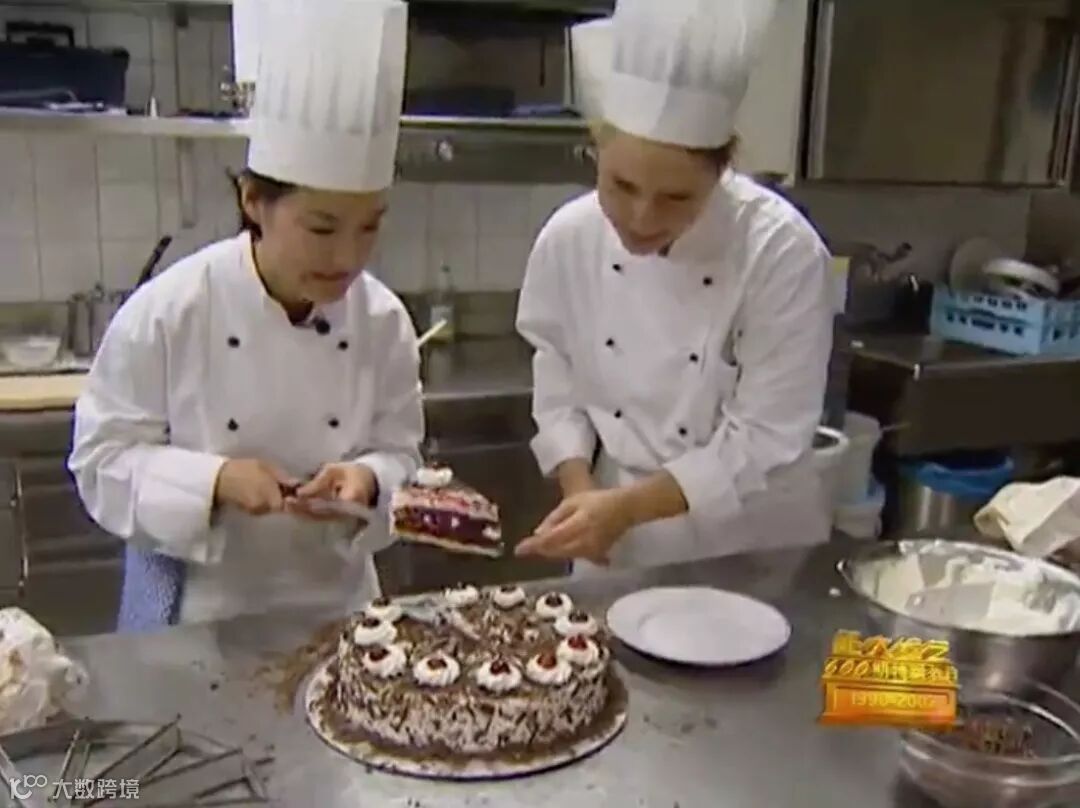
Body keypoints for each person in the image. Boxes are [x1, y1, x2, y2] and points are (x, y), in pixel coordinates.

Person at [67, 0, 422, 629]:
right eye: (322, 228)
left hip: (341, 612)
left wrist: (367, 478)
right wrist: (214, 480)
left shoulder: (384, 321)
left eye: (369, 227)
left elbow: (403, 456)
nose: (348, 257)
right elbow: (100, 463)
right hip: (201, 618)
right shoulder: (170, 311)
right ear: (254, 200)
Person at [514, 0, 833, 571]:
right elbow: (557, 373)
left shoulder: (779, 251)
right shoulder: (569, 239)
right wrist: (582, 494)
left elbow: (765, 434)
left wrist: (626, 508)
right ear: (595, 154)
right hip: (615, 536)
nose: (641, 218)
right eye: (621, 186)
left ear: (721, 172)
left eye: (676, 197)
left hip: (749, 538)